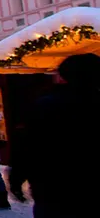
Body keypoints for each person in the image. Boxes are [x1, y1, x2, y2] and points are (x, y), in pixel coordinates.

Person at [10, 53, 100, 218]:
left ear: (64, 76)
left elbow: (29, 145)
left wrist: (17, 175)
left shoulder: (47, 105)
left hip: (53, 186)